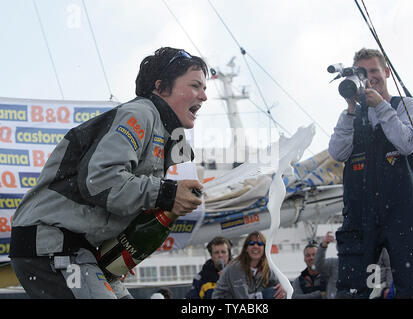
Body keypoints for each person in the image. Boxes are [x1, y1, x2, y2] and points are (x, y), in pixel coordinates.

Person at [9, 47, 208, 299]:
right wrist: (167, 193)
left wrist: (118, 252)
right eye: (195, 85)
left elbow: (123, 201)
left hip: (80, 250)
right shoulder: (140, 114)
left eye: (204, 89)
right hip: (51, 243)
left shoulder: (169, 138)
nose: (203, 96)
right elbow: (99, 180)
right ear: (161, 86)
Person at [328, 48, 413, 298]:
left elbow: (406, 143)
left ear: (386, 72)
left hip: (402, 213)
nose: (369, 77)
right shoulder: (353, 116)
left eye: (374, 71)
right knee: (351, 290)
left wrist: (381, 106)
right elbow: (338, 153)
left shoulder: (406, 105)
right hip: (359, 215)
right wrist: (352, 110)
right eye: (363, 72)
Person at [313, 231, 393, 299]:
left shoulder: (373, 260)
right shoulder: (334, 263)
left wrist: (388, 288)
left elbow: (389, 267)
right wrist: (323, 245)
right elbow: (318, 265)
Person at [212, 231, 286, 299]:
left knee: (276, 291)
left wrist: (282, 288)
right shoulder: (236, 268)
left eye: (260, 244)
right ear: (246, 248)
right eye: (251, 243)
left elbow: (278, 286)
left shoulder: (266, 269)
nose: (255, 246)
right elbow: (241, 296)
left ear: (264, 249)